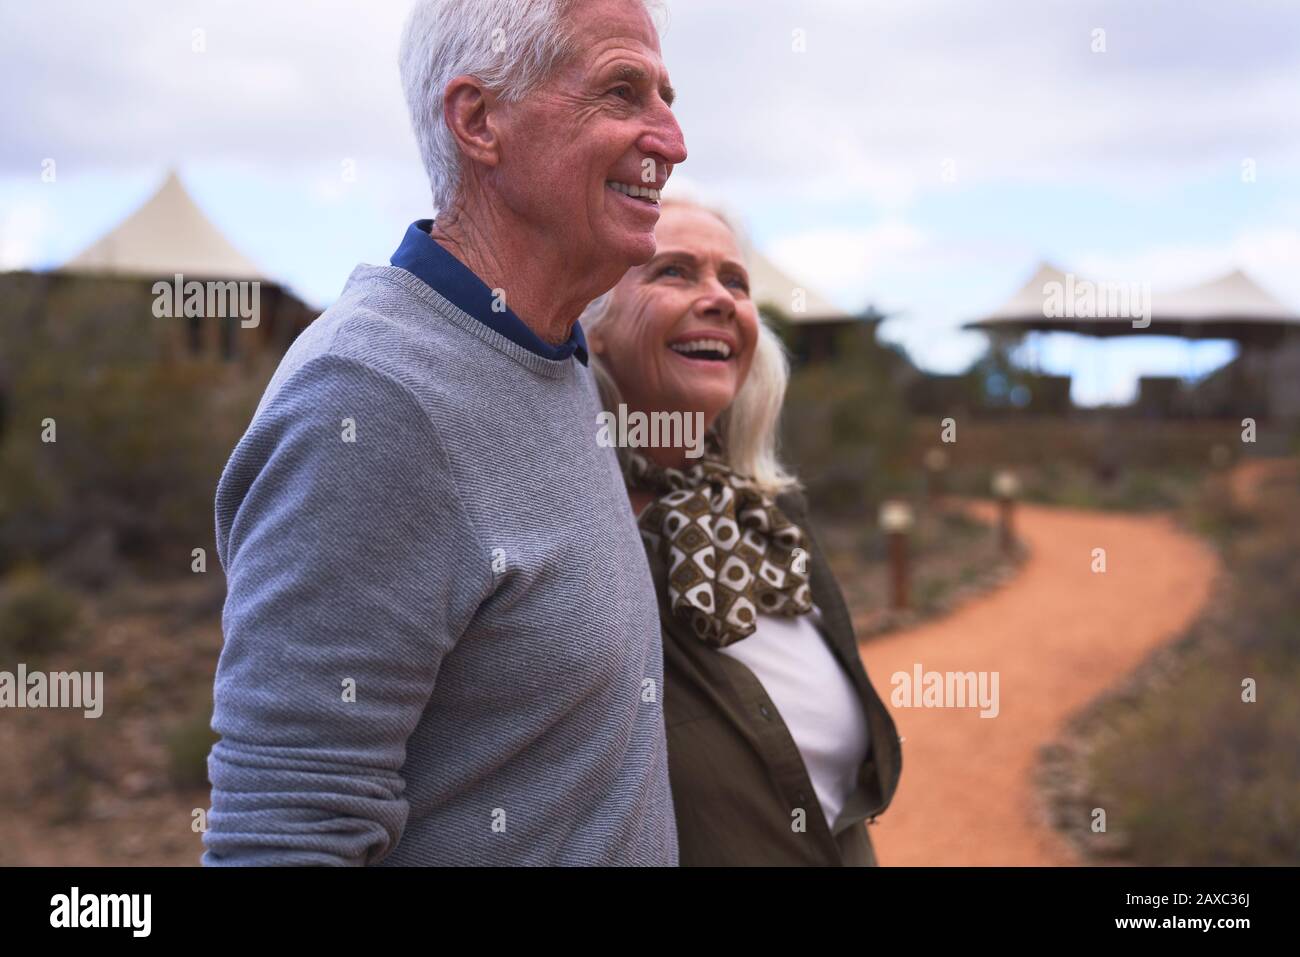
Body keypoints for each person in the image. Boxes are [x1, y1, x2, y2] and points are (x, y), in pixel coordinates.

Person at [203, 0, 686, 866]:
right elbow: (281, 836)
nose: (673, 140)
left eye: (666, 96)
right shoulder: (370, 402)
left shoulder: (552, 348)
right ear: (479, 121)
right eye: (623, 93)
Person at [582, 198, 903, 865]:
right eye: (673, 271)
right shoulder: (569, 526)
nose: (720, 299)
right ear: (594, 325)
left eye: (735, 281)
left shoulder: (769, 515)